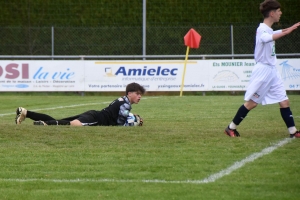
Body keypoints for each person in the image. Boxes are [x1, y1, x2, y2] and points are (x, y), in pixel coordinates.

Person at [224, 0, 300, 138]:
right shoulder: (262, 30)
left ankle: (293, 132)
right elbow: (267, 38)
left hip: (272, 71)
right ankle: (230, 128)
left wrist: (288, 29)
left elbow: (275, 33)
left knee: (284, 101)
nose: (280, 13)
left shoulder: (268, 29)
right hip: (263, 72)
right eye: (278, 11)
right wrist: (286, 32)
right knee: (252, 103)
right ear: (272, 13)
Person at [15, 82, 145, 126]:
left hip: (93, 114)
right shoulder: (126, 104)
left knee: (59, 122)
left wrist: (133, 117)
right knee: (75, 125)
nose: (139, 96)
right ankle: (44, 124)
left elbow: (121, 116)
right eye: (137, 93)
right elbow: (120, 124)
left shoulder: (123, 100)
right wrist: (134, 122)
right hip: (97, 119)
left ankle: (26, 112)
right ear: (129, 93)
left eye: (141, 94)